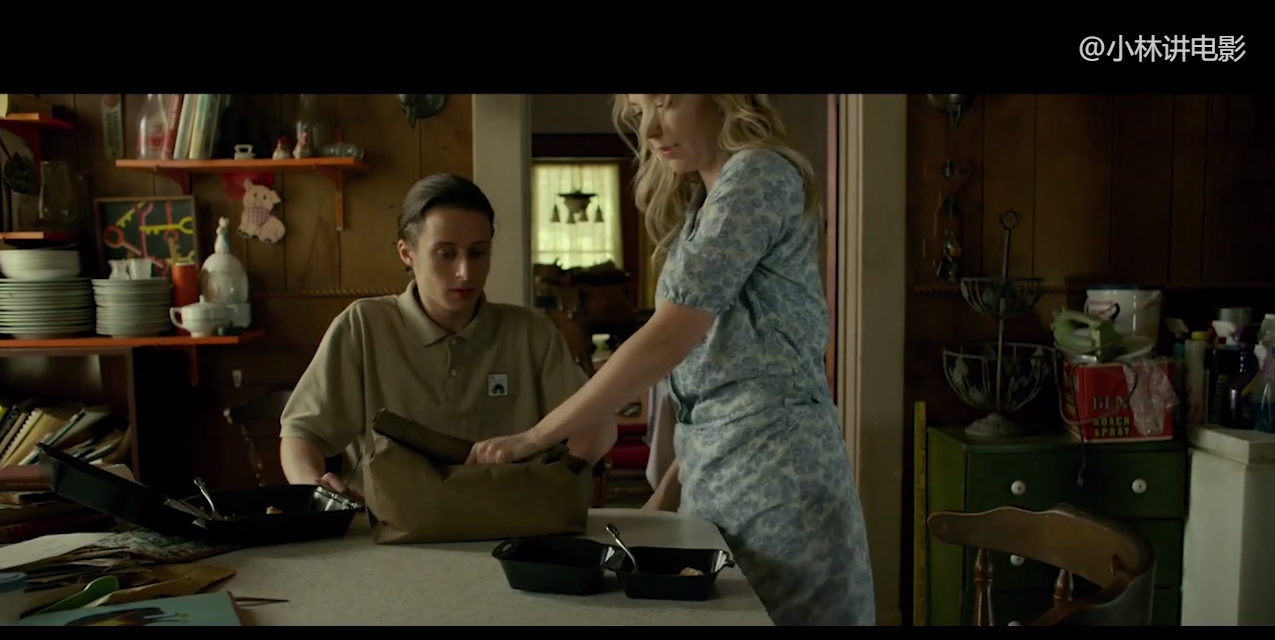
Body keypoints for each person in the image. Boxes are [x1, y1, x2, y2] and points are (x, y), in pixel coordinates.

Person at [467, 95, 875, 626]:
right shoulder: (702, 200)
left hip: (780, 481)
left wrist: (535, 437)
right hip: (722, 479)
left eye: (665, 101)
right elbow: (720, 373)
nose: (651, 129)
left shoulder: (758, 175)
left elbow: (669, 341)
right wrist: (669, 491)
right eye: (639, 112)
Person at [279, 173, 617, 500]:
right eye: (446, 253)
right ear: (407, 253)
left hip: (510, 523)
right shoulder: (362, 327)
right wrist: (313, 486)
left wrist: (556, 482)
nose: (465, 272)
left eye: (478, 252)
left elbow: (597, 425)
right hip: (386, 529)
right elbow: (302, 433)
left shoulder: (532, 334)